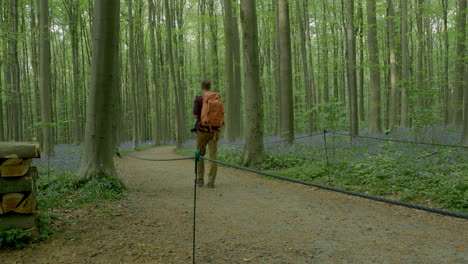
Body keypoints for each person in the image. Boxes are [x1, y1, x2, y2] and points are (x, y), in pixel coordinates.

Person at [193, 80, 223, 188]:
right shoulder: (216, 98)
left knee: (200, 154)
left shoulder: (199, 98)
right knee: (213, 156)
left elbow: (196, 115)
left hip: (202, 131)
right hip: (214, 131)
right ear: (210, 87)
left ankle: (200, 179)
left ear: (201, 87)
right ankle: (211, 182)